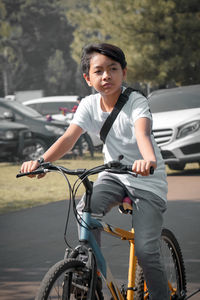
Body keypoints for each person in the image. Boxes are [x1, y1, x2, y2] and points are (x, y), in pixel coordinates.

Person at [20, 43, 169, 299]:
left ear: (124, 72)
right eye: (98, 71)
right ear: (88, 78)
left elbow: (142, 132)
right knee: (85, 210)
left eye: (113, 69)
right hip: (113, 175)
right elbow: (69, 138)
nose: (106, 76)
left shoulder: (136, 101)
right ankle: (90, 277)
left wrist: (148, 159)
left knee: (146, 251)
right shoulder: (89, 105)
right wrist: (42, 161)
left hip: (147, 179)